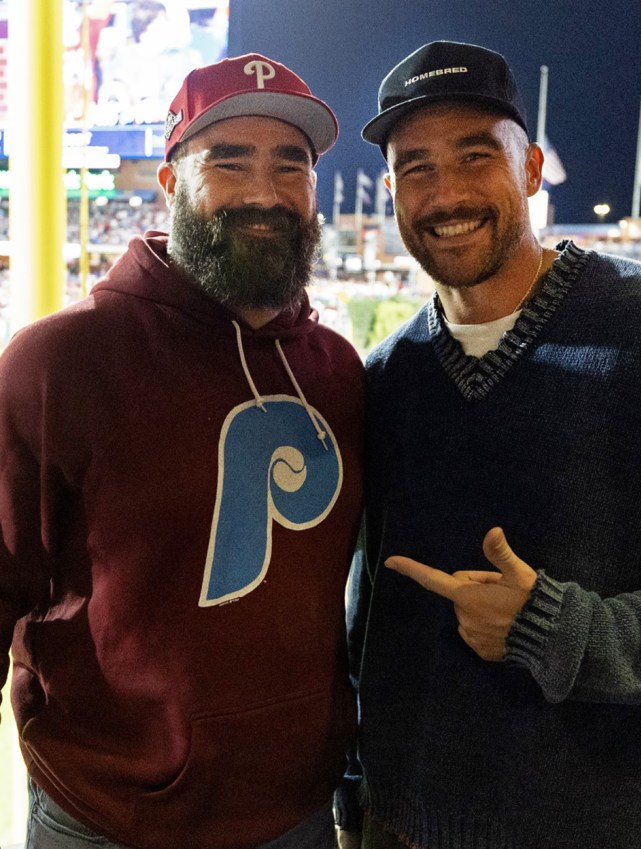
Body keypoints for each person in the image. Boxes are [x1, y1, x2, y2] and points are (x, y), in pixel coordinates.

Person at [0, 53, 364, 849]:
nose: (264, 192)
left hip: (297, 812)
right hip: (107, 815)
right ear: (169, 185)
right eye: (227, 161)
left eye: (289, 164)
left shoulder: (339, 372)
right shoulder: (59, 362)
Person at [333, 40, 641, 849]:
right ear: (390, 193)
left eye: (476, 154)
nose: (446, 191)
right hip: (400, 823)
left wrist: (555, 630)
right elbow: (371, 618)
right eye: (415, 167)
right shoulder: (388, 375)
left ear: (532, 168)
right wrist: (355, 795)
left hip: (594, 825)